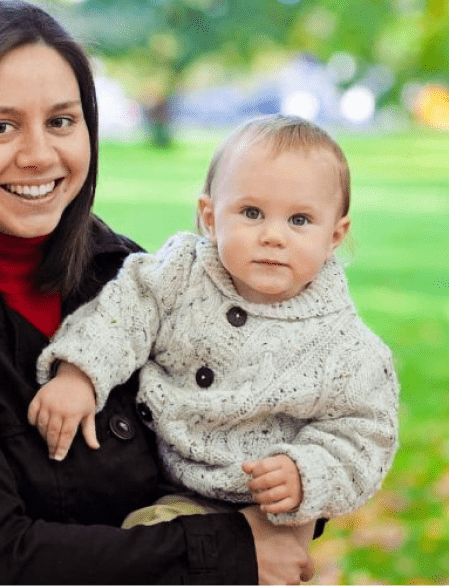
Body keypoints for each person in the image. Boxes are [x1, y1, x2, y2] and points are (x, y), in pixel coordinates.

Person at [0, 0, 319, 586]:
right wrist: (235, 550)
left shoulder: (132, 275)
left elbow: (252, 429)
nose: (40, 155)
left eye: (61, 121)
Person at [30, 115, 400, 530]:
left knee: (153, 539)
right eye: (252, 212)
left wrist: (306, 472)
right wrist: (80, 373)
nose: (273, 236)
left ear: (334, 235)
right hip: (154, 467)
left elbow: (364, 433)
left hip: (257, 505)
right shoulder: (179, 274)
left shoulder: (345, 347)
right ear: (209, 216)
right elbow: (123, 313)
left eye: (299, 220)